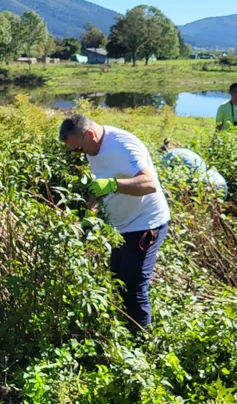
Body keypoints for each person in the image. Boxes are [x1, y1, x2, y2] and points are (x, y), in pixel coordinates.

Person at [59, 114, 171, 332]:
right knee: (117, 280)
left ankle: (143, 342)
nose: (79, 154)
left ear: (90, 134)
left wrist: (113, 185)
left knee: (134, 286)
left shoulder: (122, 145)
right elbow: (97, 186)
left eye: (79, 149)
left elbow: (149, 184)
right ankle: (125, 334)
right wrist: (90, 215)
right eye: (74, 151)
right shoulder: (93, 148)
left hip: (146, 223)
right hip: (121, 227)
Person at [160, 139, 228, 197]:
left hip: (208, 185)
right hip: (221, 183)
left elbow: (165, 172)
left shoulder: (169, 154)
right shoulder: (185, 151)